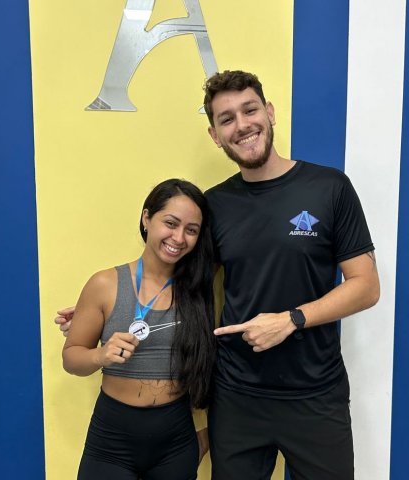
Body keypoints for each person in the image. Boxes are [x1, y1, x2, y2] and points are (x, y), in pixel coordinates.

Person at [57, 71, 380, 480]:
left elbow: (366, 286)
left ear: (270, 112)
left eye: (250, 110)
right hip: (236, 396)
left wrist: (291, 319)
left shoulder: (329, 187)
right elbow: (183, 280)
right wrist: (104, 311)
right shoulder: (215, 205)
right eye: (227, 119)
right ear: (215, 135)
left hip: (316, 394)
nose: (242, 125)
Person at [62, 179, 216, 480]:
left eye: (191, 230)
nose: (179, 237)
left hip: (175, 440)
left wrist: (207, 437)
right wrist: (100, 355)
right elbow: (71, 358)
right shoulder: (105, 284)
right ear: (147, 218)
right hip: (112, 441)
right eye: (170, 223)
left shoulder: (198, 289)